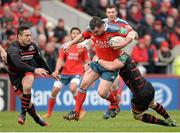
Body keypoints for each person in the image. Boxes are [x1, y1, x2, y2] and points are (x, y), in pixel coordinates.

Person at [62, 16, 137, 121]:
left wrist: (124, 43)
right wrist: (70, 43)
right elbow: (83, 36)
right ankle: (76, 113)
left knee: (102, 93)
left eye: (97, 32)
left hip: (110, 66)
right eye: (93, 32)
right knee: (83, 84)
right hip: (98, 62)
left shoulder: (115, 28)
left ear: (102, 26)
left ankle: (114, 102)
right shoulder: (91, 30)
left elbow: (133, 33)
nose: (95, 34)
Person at [93, 52, 177, 127]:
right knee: (152, 103)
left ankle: (165, 123)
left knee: (137, 116)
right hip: (148, 86)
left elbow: (111, 67)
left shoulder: (120, 60)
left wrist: (98, 60)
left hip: (140, 94)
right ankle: (169, 119)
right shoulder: (125, 56)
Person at [7, 25, 59, 126]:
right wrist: (35, 69)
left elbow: (40, 60)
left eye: (30, 35)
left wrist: (51, 72)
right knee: (27, 102)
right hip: (15, 76)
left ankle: (22, 114)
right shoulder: (13, 48)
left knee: (27, 86)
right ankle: (37, 118)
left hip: (28, 71)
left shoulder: (33, 46)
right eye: (26, 35)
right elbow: (18, 64)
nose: (29, 37)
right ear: (19, 37)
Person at [42, 27, 90, 118]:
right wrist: (56, 70)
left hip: (77, 73)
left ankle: (82, 110)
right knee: (54, 91)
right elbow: (60, 59)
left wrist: (89, 74)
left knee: (72, 88)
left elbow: (87, 61)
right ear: (70, 35)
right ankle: (49, 113)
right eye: (73, 33)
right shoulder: (65, 46)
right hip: (64, 73)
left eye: (77, 33)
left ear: (80, 35)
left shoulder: (83, 47)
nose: (75, 35)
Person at [102, 5, 133, 119]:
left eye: (112, 12)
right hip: (104, 57)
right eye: (108, 12)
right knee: (107, 87)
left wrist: (123, 41)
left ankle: (114, 106)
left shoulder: (122, 23)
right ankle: (114, 105)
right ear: (106, 13)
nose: (110, 14)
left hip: (117, 57)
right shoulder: (102, 23)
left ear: (116, 12)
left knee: (114, 84)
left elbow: (132, 33)